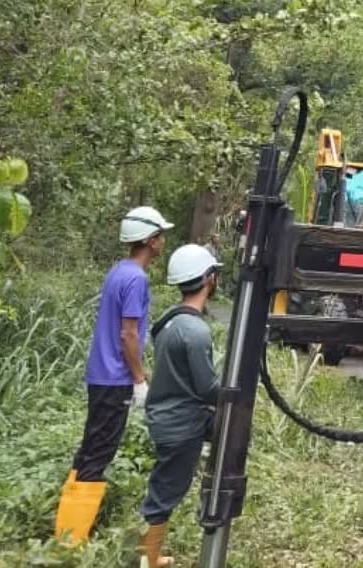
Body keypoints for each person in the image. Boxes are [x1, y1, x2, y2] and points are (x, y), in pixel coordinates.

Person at [54, 205, 173, 546]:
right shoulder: (136, 278)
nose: (163, 241)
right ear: (150, 240)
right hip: (115, 378)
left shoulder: (118, 271)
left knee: (90, 449)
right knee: (99, 453)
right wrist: (139, 379)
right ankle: (71, 540)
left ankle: (66, 529)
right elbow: (129, 334)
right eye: (160, 235)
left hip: (99, 376)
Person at [136, 243, 222, 568]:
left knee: (163, 486)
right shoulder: (195, 330)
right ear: (209, 278)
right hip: (181, 425)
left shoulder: (170, 321)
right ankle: (147, 559)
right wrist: (234, 394)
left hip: (166, 417)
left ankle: (151, 555)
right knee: (164, 494)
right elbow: (207, 387)